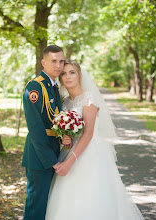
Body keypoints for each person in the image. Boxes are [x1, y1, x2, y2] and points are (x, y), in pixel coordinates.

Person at [45, 59, 145, 220]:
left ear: (79, 75)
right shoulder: (64, 102)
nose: (68, 77)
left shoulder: (89, 99)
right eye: (63, 73)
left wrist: (70, 162)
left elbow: (88, 134)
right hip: (69, 151)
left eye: (72, 72)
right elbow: (68, 130)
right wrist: (65, 137)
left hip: (90, 155)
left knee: (91, 198)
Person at [22, 45, 71, 220]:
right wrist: (51, 161)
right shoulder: (35, 87)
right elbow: (35, 129)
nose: (58, 65)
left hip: (52, 152)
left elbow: (54, 121)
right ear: (43, 62)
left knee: (46, 205)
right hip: (39, 156)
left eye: (61, 61)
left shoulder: (53, 86)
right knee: (36, 206)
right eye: (53, 61)